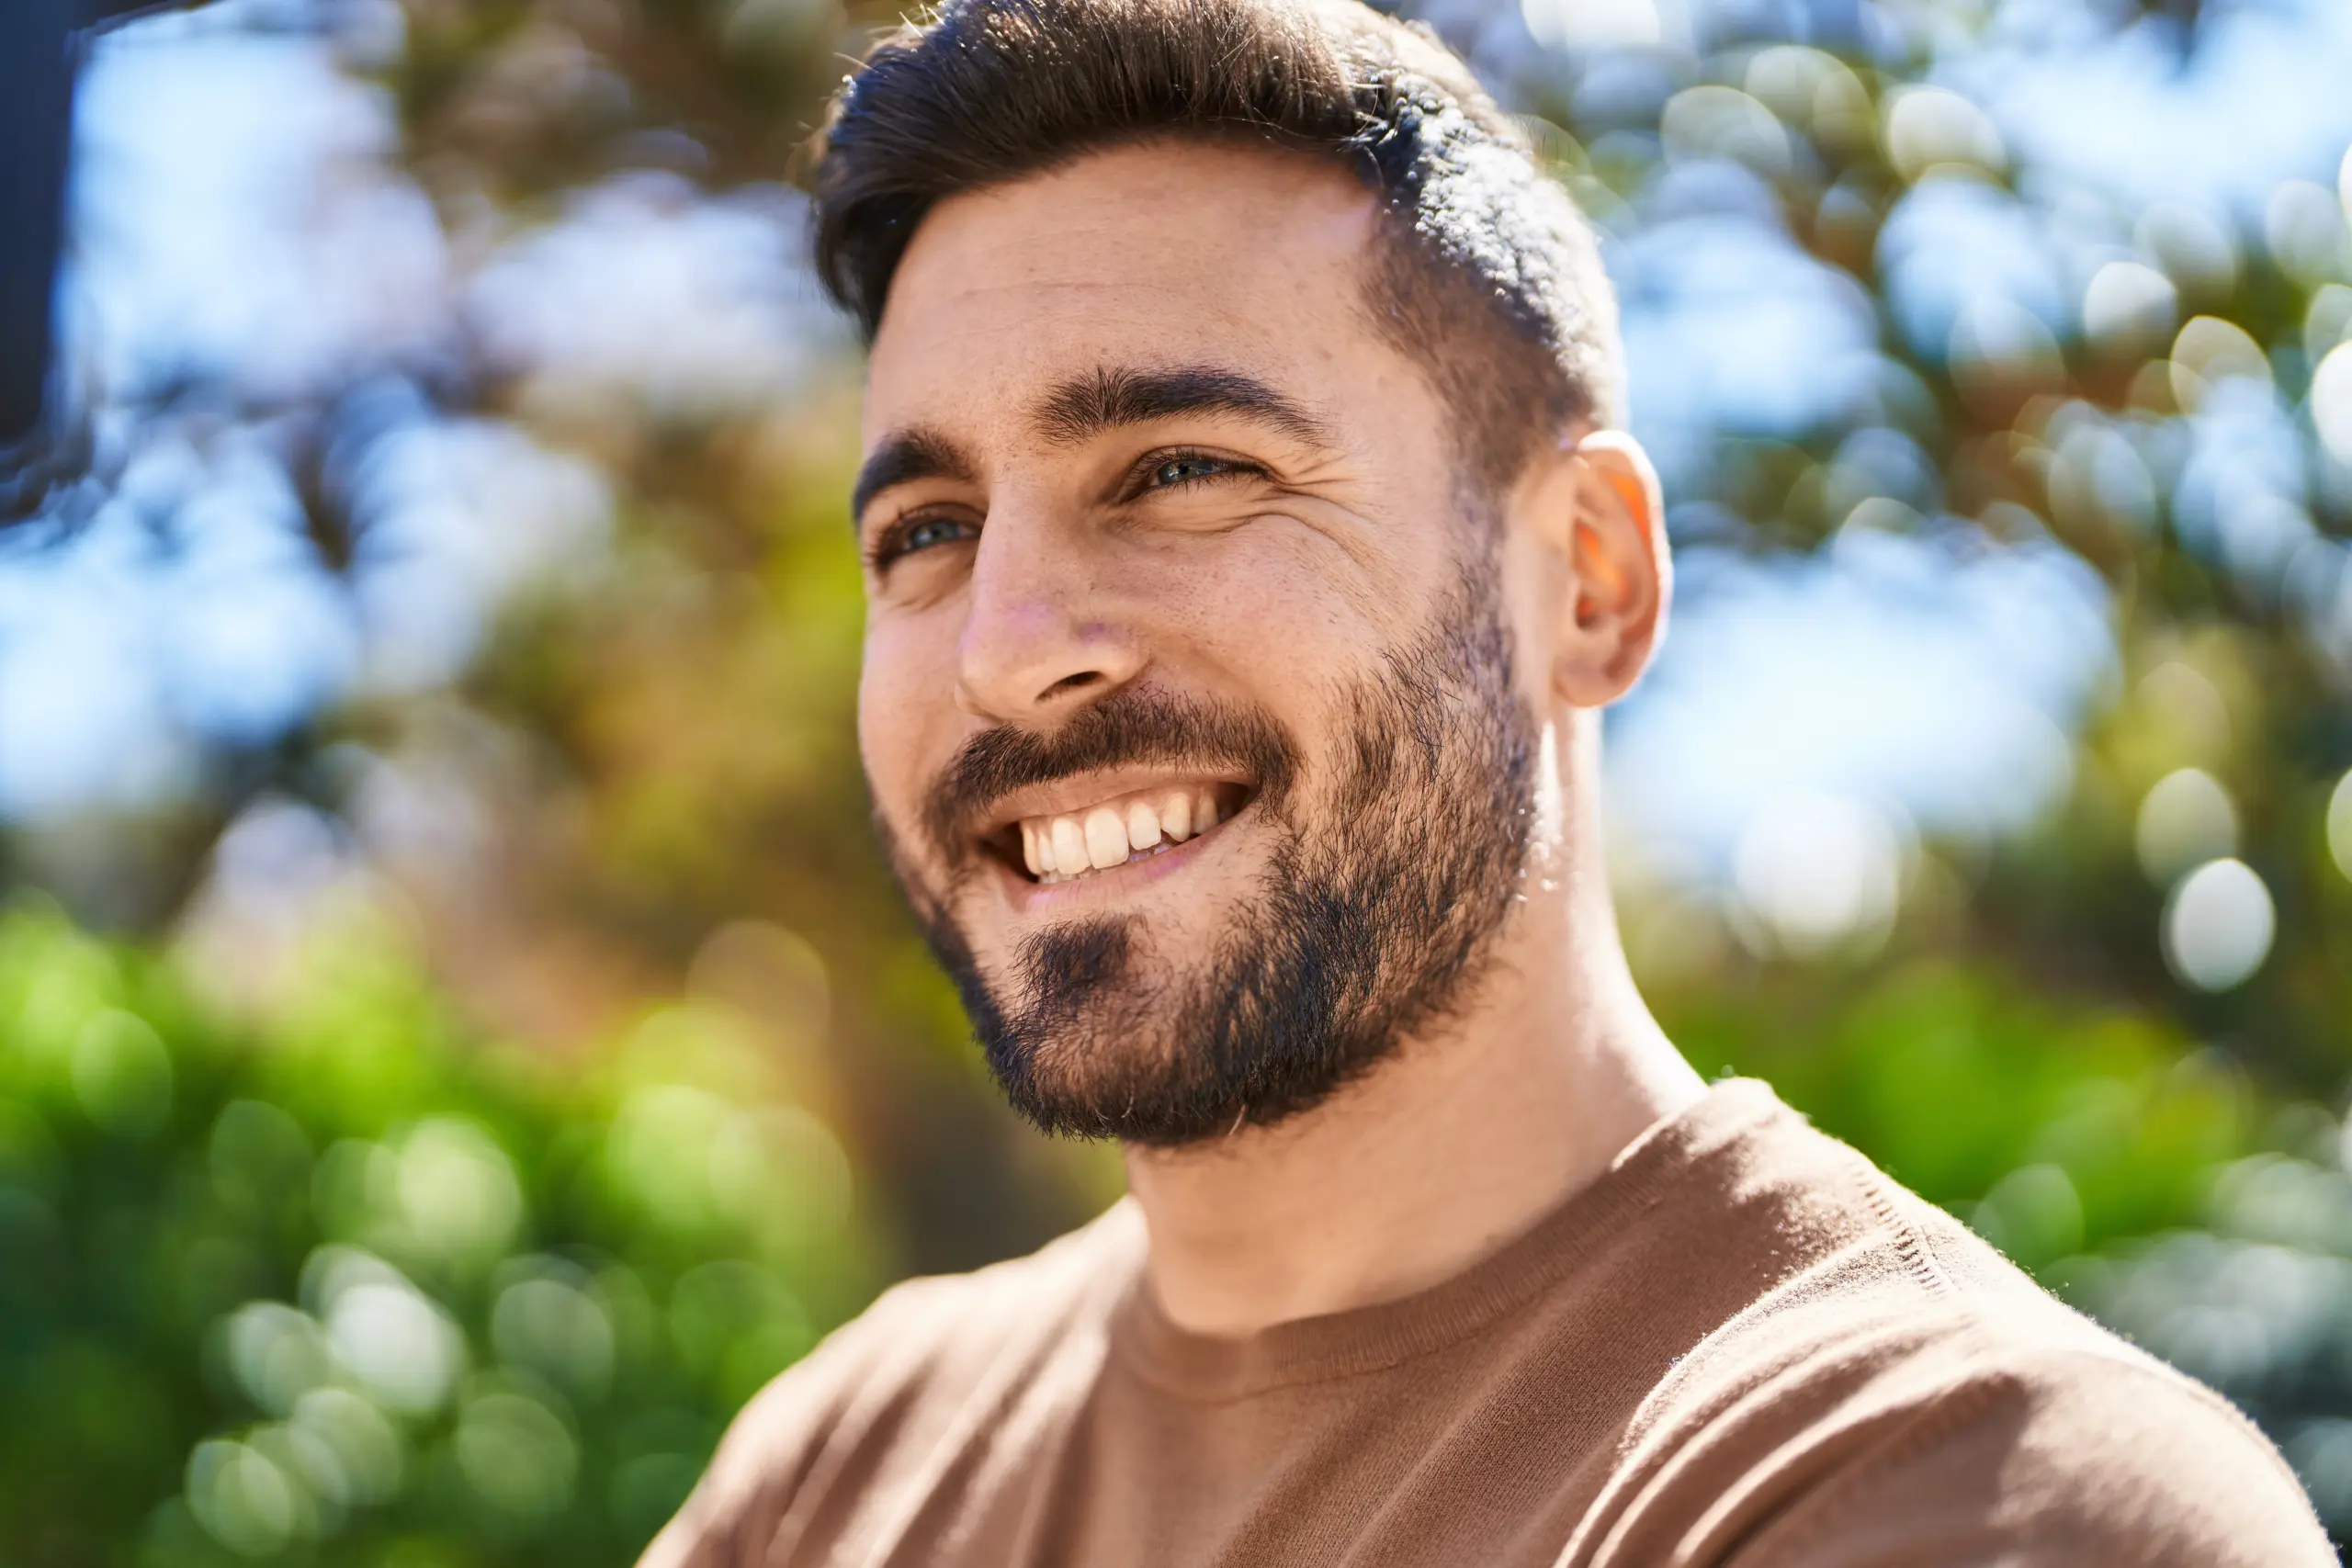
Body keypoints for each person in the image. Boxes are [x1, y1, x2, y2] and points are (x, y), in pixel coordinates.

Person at [641, 0, 2336, 1562]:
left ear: (1586, 581)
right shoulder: (841, 1472)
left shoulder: (1955, 1482)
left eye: (1181, 468)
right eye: (927, 530)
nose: (1006, 648)